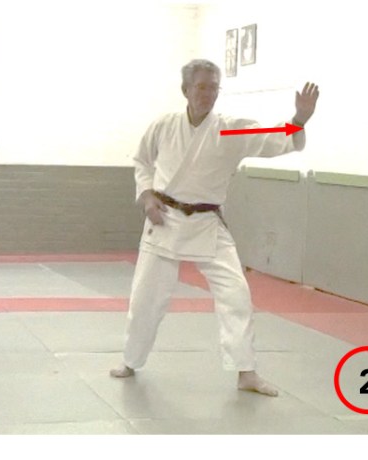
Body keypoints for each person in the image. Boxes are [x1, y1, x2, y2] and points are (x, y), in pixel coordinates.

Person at [110, 60, 320, 396]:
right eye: (201, 87)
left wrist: (299, 120)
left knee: (236, 295)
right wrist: (147, 195)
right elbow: (142, 161)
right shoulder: (164, 125)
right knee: (146, 299)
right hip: (164, 220)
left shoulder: (229, 130)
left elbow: (270, 139)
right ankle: (130, 361)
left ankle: (246, 372)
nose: (207, 93)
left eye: (213, 87)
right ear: (186, 90)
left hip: (207, 223)